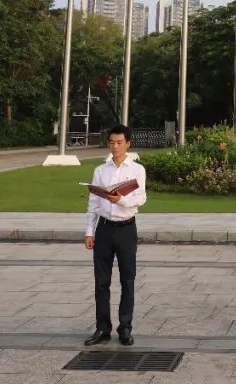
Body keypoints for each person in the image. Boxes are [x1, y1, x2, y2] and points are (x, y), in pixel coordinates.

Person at [84, 124, 147, 346]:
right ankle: (102, 328)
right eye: (112, 142)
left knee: (127, 279)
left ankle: (125, 327)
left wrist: (121, 199)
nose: (115, 146)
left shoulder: (137, 170)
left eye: (120, 142)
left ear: (128, 144)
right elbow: (93, 203)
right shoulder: (101, 171)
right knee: (101, 281)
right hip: (104, 229)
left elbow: (141, 198)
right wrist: (89, 231)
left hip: (126, 229)